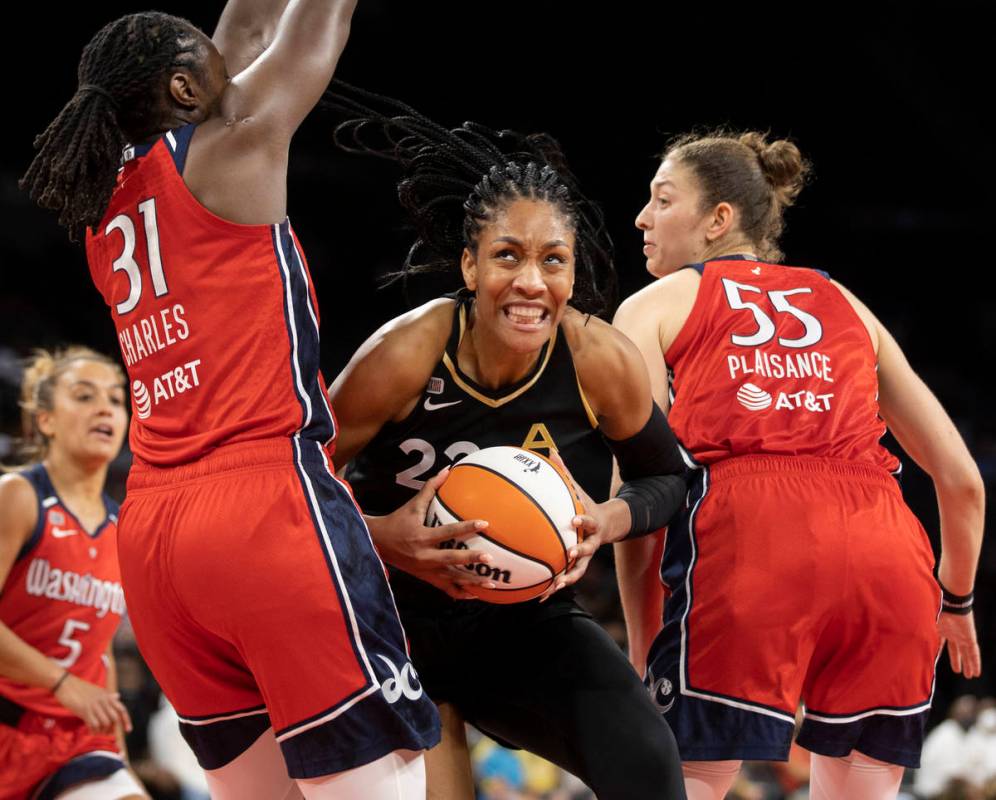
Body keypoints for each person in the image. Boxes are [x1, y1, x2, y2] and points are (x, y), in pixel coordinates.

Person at [20, 3, 477, 797]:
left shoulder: (104, 207)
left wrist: (223, 48)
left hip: (158, 535)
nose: (238, 81)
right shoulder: (236, 144)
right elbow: (314, 25)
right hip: (265, 507)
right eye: (214, 72)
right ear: (184, 88)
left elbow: (249, 26)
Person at [324, 84, 689, 800]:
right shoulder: (407, 354)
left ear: (573, 271)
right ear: (469, 268)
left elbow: (667, 476)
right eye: (508, 256)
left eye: (553, 260)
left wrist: (603, 520)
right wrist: (381, 536)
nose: (531, 281)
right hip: (387, 613)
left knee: (650, 767)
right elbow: (288, 483)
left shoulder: (598, 358)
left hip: (521, 620)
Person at [613, 130, 985, 800]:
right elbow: (961, 481)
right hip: (889, 556)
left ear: (718, 220)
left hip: (751, 543)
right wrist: (956, 600)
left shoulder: (651, 306)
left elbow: (640, 489)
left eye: (662, 200)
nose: (642, 217)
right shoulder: (847, 302)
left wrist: (643, 645)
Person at [0, 347, 145, 799]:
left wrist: (121, 761)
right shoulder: (18, 497)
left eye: (116, 399)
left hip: (74, 739)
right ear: (45, 420)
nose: (105, 407)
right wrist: (62, 684)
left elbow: (96, 655)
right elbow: (76, 681)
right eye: (84, 396)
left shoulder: (124, 528)